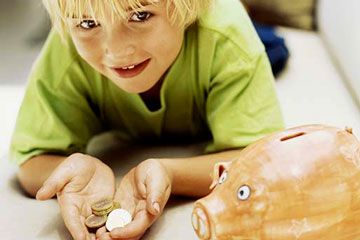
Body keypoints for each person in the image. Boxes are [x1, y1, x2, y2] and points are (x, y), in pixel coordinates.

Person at [10, 0, 284, 239]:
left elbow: (260, 160)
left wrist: (172, 174)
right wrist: (73, 169)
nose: (115, 51)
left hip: (217, 29)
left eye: (140, 16)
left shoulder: (227, 37)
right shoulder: (64, 50)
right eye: (88, 22)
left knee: (274, 48)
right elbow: (32, 160)